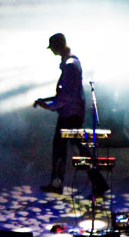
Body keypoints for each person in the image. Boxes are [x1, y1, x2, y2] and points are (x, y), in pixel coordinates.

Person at [33, 33, 109, 196]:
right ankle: (59, 183)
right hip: (71, 114)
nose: (52, 52)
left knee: (76, 151)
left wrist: (49, 106)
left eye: (52, 48)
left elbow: (66, 96)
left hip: (70, 116)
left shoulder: (70, 65)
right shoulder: (70, 63)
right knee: (65, 150)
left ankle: (98, 184)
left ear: (57, 47)